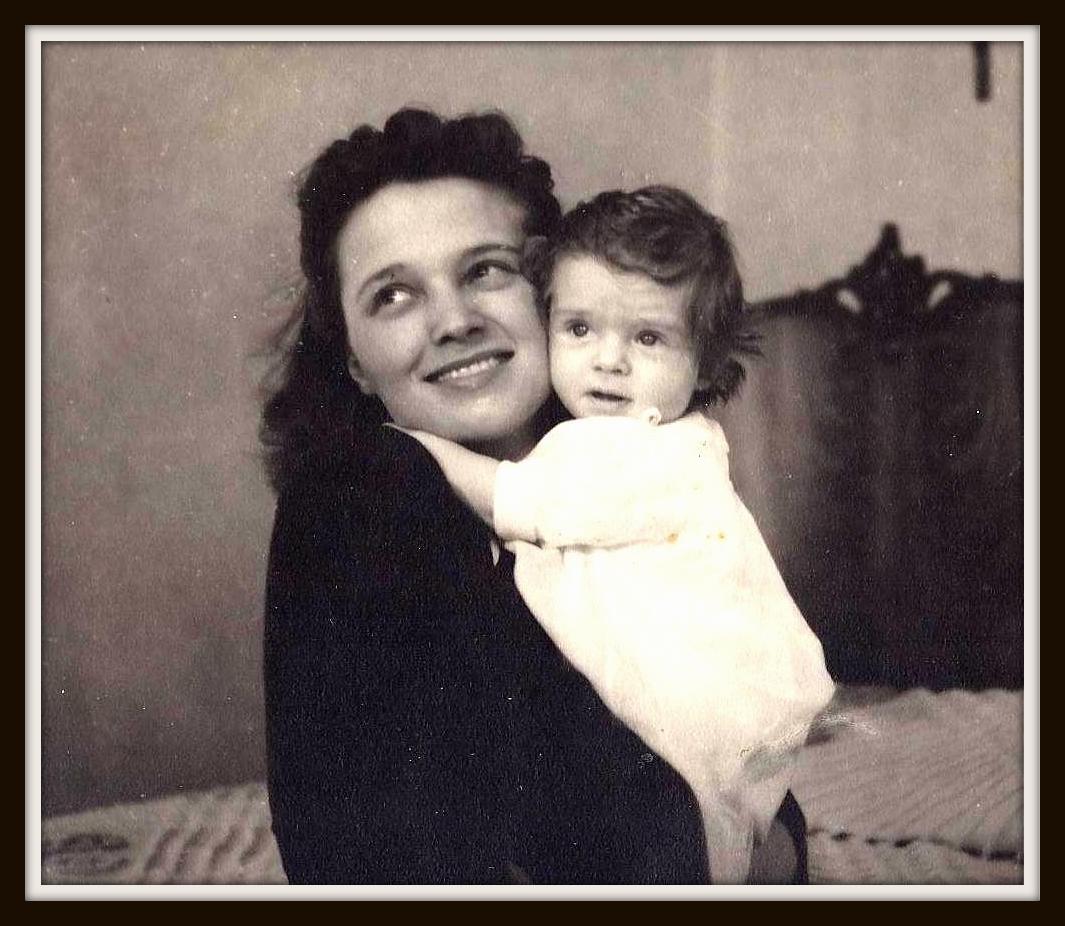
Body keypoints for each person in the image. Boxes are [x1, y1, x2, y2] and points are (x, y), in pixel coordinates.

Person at [261, 108, 810, 885]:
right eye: (393, 295)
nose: (454, 321)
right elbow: (353, 851)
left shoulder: (632, 476)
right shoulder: (351, 505)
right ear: (353, 361)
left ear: (555, 292)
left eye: (485, 270)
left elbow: (741, 767)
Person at [397, 186, 835, 884]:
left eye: (647, 338)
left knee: (688, 838)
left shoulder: (648, 452)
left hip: (692, 716)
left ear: (705, 364)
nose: (608, 360)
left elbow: (516, 498)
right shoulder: (618, 440)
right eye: (578, 328)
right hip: (656, 732)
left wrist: (417, 449)